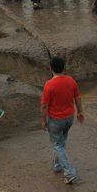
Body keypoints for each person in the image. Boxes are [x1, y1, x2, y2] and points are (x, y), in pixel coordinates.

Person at [41, 56, 84, 184]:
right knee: (60, 142)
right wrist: (80, 112)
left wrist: (43, 120)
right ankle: (56, 165)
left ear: (51, 68)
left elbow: (44, 105)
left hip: (55, 120)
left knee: (57, 144)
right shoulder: (71, 81)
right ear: (64, 67)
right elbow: (78, 98)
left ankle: (69, 172)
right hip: (69, 118)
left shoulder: (49, 84)